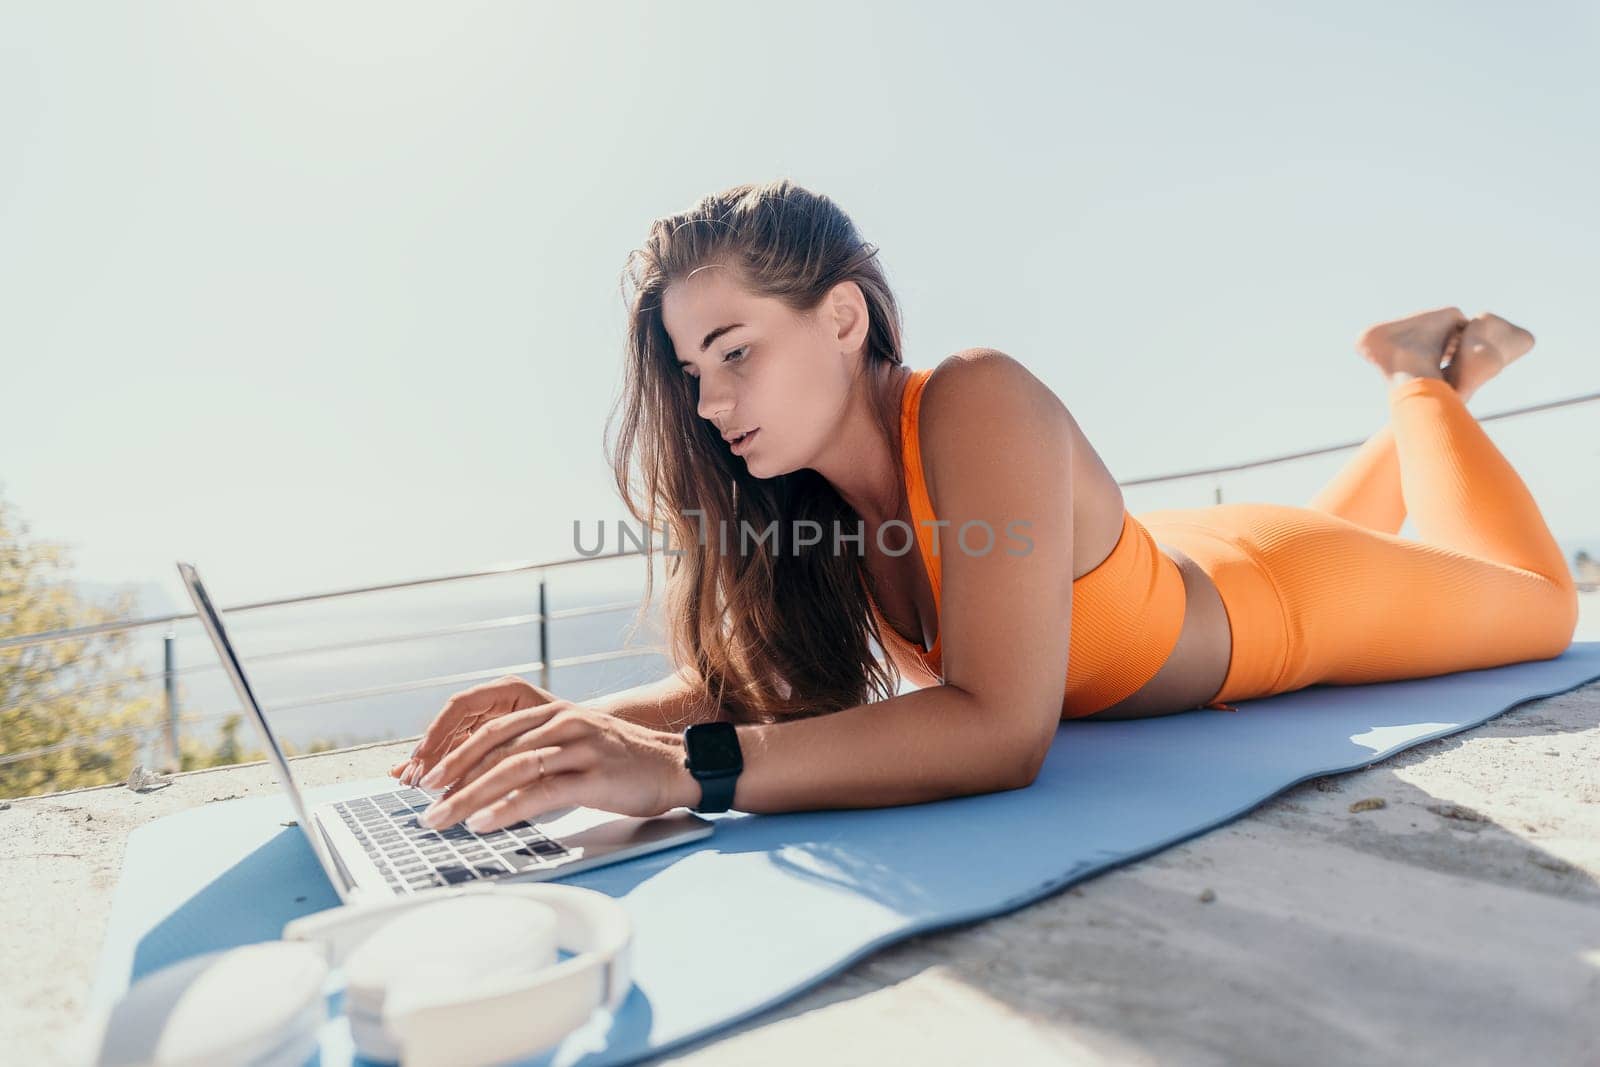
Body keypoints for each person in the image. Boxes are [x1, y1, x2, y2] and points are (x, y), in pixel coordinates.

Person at [390, 179, 1578, 832]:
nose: (707, 401)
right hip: (1160, 565)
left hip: (1288, 594)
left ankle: (1420, 373)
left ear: (844, 318)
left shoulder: (975, 396)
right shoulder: (813, 511)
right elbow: (756, 691)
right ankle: (1423, 396)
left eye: (735, 349)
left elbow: (1000, 730)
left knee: (1538, 604)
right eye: (692, 370)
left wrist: (680, 771)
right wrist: (562, 727)